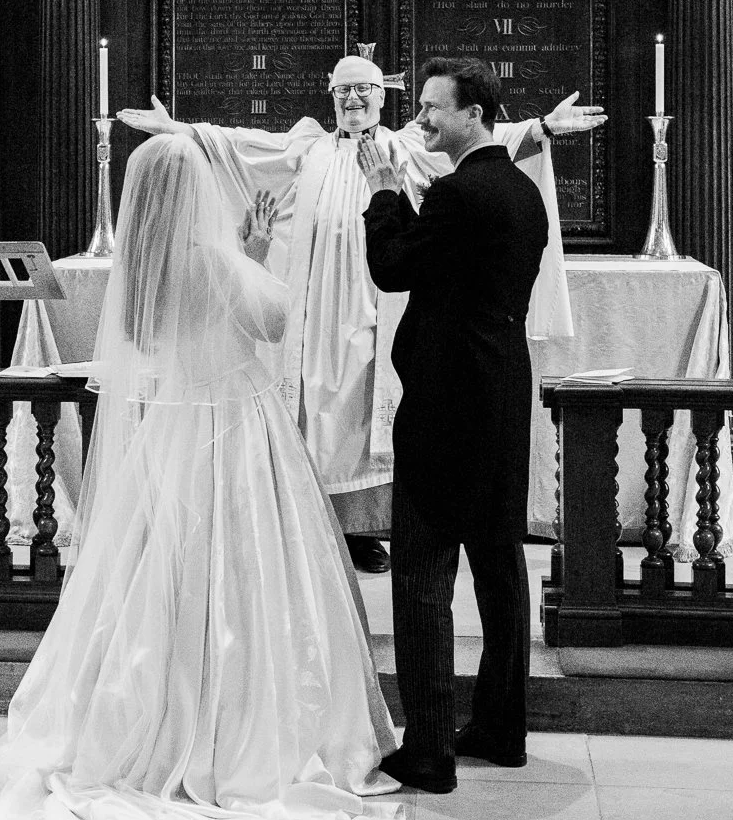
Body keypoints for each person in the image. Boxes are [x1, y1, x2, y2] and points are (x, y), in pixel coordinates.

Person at [0, 136, 404, 820]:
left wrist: (245, 251)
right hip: (229, 440)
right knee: (233, 581)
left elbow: (187, 331)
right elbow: (269, 323)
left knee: (154, 581)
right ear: (195, 192)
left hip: (169, 437)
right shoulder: (212, 259)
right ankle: (224, 729)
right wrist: (262, 251)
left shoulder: (143, 273)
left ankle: (145, 711)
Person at [119, 47, 603, 573]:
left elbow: (486, 143)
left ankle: (362, 531)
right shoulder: (309, 148)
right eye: (343, 90)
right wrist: (183, 131)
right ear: (331, 96)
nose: (353, 98)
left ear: (381, 96)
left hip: (377, 305)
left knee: (364, 418)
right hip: (316, 305)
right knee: (316, 412)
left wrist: (541, 130)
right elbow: (241, 146)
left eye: (365, 89)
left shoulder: (406, 145)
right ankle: (317, 527)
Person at [358, 58, 550, 794]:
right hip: (502, 391)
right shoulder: (521, 191)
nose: (423, 120)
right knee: (500, 564)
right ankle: (503, 728)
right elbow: (447, 265)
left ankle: (431, 747)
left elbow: (393, 266)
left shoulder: (456, 192)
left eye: (435, 108)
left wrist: (381, 191)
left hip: (445, 401)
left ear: (474, 113)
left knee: (423, 569)